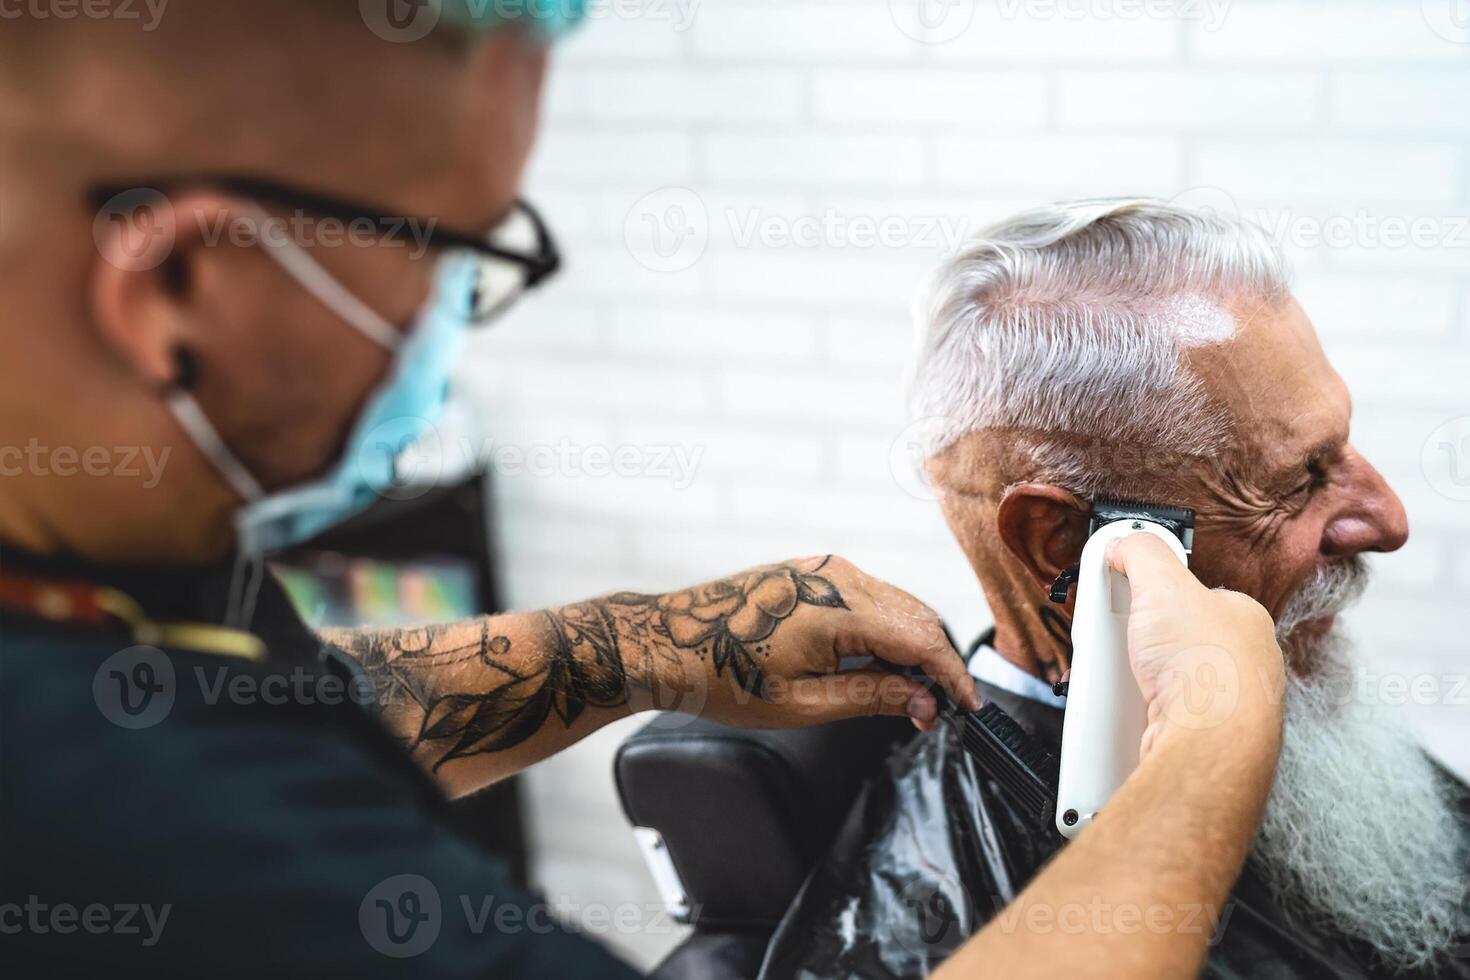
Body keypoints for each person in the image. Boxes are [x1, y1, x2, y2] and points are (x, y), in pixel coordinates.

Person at [0, 6, 1314, 977]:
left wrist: (630, 647)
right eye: (459, 258)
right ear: (178, 292)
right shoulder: (143, 828)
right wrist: (1205, 751)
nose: (456, 320)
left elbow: (255, 693)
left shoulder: (109, 560)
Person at [764, 199, 1470, 978]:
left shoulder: (1313, 735)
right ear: (1062, 542)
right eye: (1297, 482)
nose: (1387, 519)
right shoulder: (920, 912)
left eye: (1342, 446)